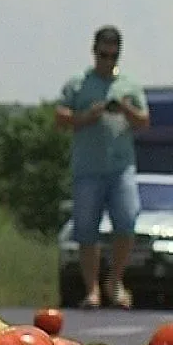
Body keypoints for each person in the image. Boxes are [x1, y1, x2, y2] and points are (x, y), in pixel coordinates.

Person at [55, 26, 150, 309]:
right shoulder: (78, 84)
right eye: (102, 55)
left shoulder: (129, 86)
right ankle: (92, 288)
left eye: (112, 55)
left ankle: (115, 280)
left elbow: (144, 121)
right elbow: (60, 116)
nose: (107, 60)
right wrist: (86, 116)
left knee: (127, 220)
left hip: (121, 167)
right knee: (86, 228)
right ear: (94, 52)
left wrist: (125, 108)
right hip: (87, 168)